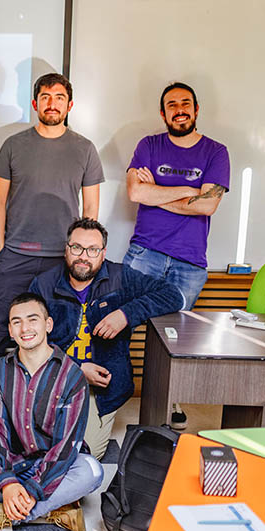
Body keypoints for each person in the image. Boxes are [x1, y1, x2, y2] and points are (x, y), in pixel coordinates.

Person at [124, 82, 230, 429]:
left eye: (186, 103)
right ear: (163, 112)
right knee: (118, 323)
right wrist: (189, 192)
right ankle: (105, 396)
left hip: (189, 264)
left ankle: (172, 402)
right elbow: (136, 191)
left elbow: (210, 203)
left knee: (173, 339)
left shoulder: (216, 152)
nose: (179, 109)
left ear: (196, 110)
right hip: (145, 254)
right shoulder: (149, 145)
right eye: (172, 104)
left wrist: (159, 191)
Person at [29, 219, 183, 459]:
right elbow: (31, 341)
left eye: (93, 250)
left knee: (83, 452)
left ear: (103, 254)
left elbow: (173, 296)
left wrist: (125, 314)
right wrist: (77, 369)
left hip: (100, 389)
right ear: (66, 249)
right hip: (55, 377)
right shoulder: (44, 284)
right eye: (77, 248)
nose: (84, 256)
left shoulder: (120, 277)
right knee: (31, 441)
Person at [0, 293, 103, 531]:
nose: (25, 328)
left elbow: (67, 446)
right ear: (11, 332)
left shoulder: (72, 375)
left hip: (56, 464)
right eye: (17, 322)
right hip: (14, 462)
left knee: (92, 471)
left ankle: (12, 513)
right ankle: (54, 507)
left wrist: (34, 488)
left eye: (32, 319)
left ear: (48, 325)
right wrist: (8, 481)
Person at [0, 73, 104, 363]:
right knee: (0, 330)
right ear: (34, 103)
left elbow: (90, 209)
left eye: (59, 98)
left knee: (58, 332)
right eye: (45, 97)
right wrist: (2, 250)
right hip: (16, 254)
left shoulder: (85, 149)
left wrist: (83, 257)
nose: (52, 104)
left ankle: (50, 399)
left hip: (62, 258)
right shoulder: (13, 145)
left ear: (70, 105)